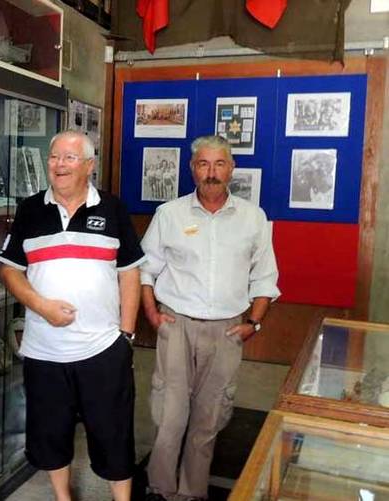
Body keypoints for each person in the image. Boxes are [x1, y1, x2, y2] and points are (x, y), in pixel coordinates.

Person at [0, 130, 145, 501]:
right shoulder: (30, 209)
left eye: (69, 157)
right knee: (50, 434)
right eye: (54, 157)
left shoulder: (112, 208)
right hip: (44, 351)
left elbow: (130, 273)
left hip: (103, 349)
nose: (59, 165)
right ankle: (63, 497)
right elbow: (10, 270)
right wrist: (41, 306)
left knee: (113, 433)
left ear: (89, 165)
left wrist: (126, 336)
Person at [140, 135, 280, 501]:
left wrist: (254, 323)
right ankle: (160, 488)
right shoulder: (169, 214)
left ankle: (193, 492)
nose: (211, 173)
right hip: (176, 325)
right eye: (203, 164)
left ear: (231, 169)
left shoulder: (253, 218)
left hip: (227, 329)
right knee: (169, 415)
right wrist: (152, 314)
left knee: (210, 416)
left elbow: (265, 277)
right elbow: (146, 270)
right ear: (192, 169)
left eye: (219, 164)